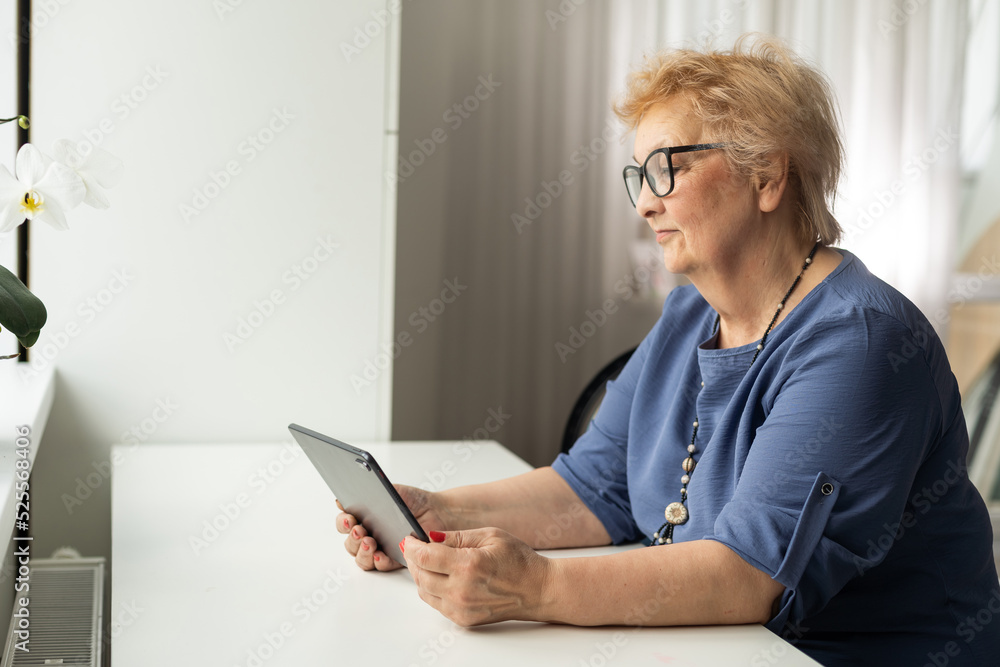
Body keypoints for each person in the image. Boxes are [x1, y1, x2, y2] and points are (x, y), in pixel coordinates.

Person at [337, 35, 1000, 666]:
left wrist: (531, 587)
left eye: (668, 167)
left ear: (767, 174)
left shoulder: (861, 344)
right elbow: (594, 489)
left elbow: (747, 575)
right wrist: (437, 516)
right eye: (639, 175)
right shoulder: (692, 311)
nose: (645, 205)